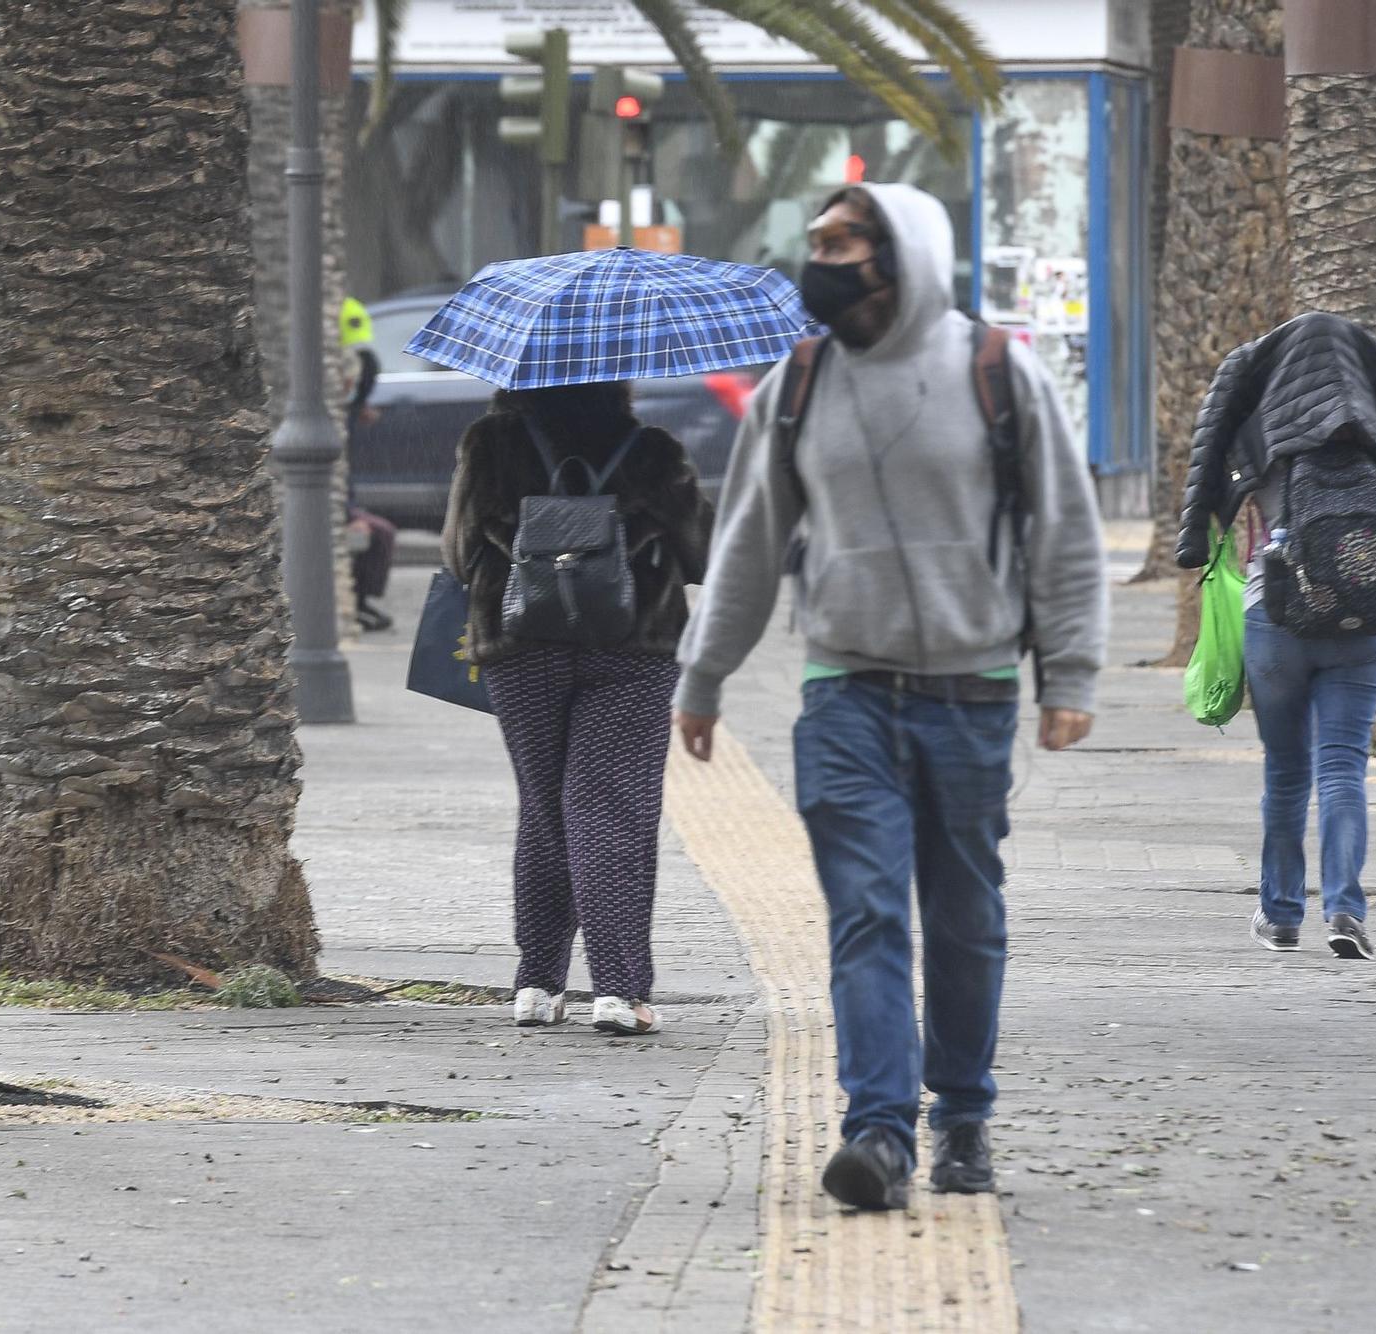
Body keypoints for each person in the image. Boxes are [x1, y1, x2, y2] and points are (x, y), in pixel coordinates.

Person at [673, 184, 1108, 1211]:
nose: (819, 258)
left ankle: (962, 1110)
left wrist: (1072, 673)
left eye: (840, 241)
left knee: (962, 916)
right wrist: (703, 673)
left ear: (900, 250)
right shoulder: (799, 378)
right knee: (866, 910)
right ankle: (877, 1130)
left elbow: (1062, 527)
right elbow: (748, 534)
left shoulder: (996, 371)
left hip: (972, 690)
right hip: (844, 687)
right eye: (813, 238)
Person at [1176, 312, 1376, 963]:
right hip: (1366, 617)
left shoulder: (1250, 378)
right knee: (1342, 767)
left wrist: (1196, 538)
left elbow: (1208, 452)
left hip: (1273, 615)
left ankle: (1279, 916)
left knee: (1285, 772)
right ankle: (1345, 909)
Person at [443, 382, 712, 1035]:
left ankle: (537, 985)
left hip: (520, 643)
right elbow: (700, 554)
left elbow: (456, 554)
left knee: (545, 805)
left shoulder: (491, 444)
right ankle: (619, 991)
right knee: (609, 803)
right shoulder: (652, 450)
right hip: (633, 647)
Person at [339, 296, 398, 632]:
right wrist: (348, 516)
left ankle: (363, 601)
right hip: (336, 506)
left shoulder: (346, 416)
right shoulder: (331, 421)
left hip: (342, 502)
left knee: (381, 532)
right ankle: (359, 602)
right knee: (378, 532)